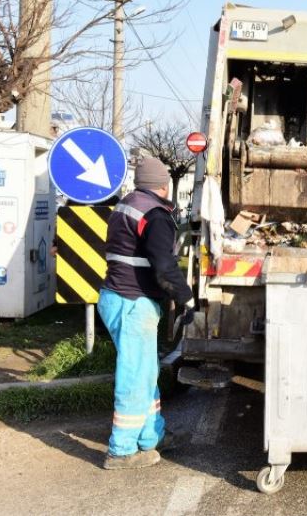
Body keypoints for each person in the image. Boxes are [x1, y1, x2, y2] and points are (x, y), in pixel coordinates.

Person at [98, 156, 194, 470]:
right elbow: (165, 267)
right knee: (136, 377)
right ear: (165, 186)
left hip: (116, 297)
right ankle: (122, 451)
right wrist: (186, 299)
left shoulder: (128, 204)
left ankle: (151, 437)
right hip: (133, 303)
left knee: (146, 371)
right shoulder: (156, 215)